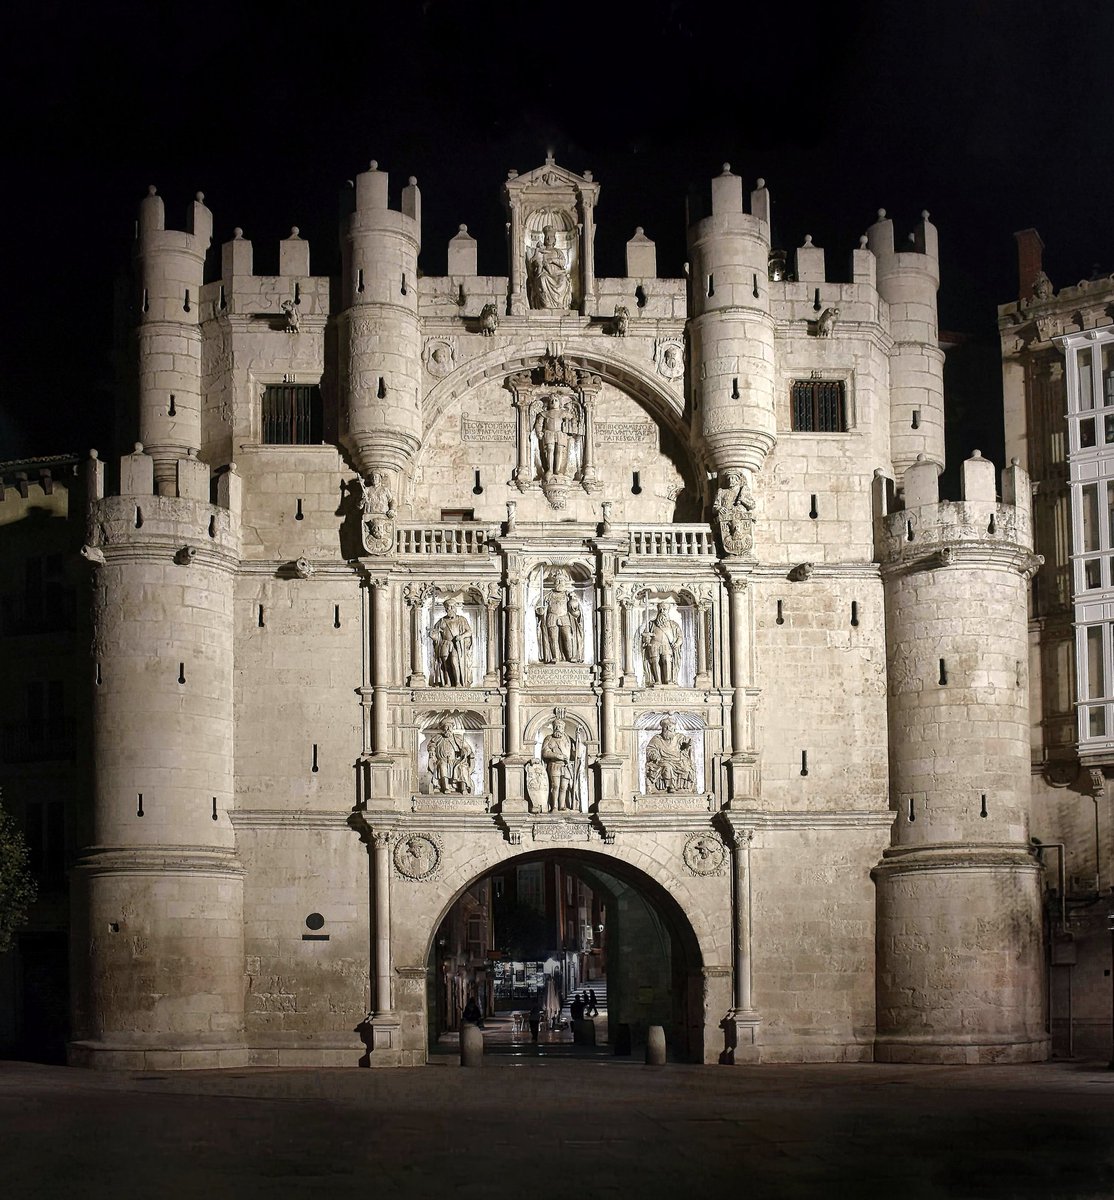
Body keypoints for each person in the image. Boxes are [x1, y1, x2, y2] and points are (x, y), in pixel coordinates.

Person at [536, 570, 583, 663]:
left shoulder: (568, 595)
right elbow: (539, 606)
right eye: (557, 581)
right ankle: (555, 657)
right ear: (554, 583)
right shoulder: (548, 595)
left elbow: (575, 611)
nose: (560, 583)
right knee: (553, 638)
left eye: (562, 581)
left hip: (564, 617)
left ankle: (570, 656)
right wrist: (540, 610)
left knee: (568, 636)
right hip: (552, 617)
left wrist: (575, 609)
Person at [645, 716, 696, 794]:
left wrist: (688, 744)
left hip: (678, 760)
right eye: (669, 729)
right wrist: (654, 755)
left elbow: (686, 744)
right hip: (663, 761)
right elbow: (650, 749)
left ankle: (686, 789)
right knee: (667, 767)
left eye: (673, 729)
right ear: (664, 729)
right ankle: (671, 787)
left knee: (687, 768)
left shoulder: (679, 737)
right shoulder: (656, 739)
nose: (672, 731)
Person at [430, 598, 473, 687]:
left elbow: (469, 632)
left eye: (451, 607)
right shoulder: (442, 621)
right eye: (447, 608)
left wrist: (461, 636)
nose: (449, 609)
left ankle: (458, 682)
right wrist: (433, 636)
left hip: (456, 645)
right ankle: (447, 682)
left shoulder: (461, 620)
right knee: (445, 664)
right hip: (445, 644)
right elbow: (436, 635)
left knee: (454, 662)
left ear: (454, 608)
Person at [527, 224, 572, 310]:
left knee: (563, 279)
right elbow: (533, 263)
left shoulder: (557, 251)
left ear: (554, 239)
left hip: (557, 274)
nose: (548, 238)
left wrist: (552, 260)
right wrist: (537, 262)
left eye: (551, 237)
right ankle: (546, 303)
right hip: (545, 274)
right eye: (547, 236)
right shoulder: (541, 251)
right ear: (544, 239)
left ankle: (559, 303)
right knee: (542, 279)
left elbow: (563, 262)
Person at [426, 717, 474, 794]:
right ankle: (445, 787)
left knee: (462, 766)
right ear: (442, 728)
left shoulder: (458, 737)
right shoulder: (438, 737)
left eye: (450, 726)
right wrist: (431, 750)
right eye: (446, 726)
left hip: (455, 760)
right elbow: (431, 745)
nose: (448, 729)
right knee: (442, 765)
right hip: (442, 759)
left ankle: (463, 788)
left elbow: (467, 748)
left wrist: (464, 751)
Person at [541, 716, 578, 812]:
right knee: (555, 786)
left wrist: (576, 751)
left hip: (566, 766)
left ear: (563, 728)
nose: (558, 729)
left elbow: (573, 753)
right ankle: (554, 807)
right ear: (553, 728)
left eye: (560, 727)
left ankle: (562, 806)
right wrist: (557, 756)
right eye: (556, 726)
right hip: (554, 765)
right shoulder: (549, 739)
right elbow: (545, 753)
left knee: (564, 787)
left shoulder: (568, 739)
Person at [641, 602, 683, 685]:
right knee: (655, 661)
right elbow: (645, 637)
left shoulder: (673, 625)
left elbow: (680, 637)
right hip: (654, 645)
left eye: (665, 609)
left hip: (667, 645)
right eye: (660, 609)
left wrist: (677, 643)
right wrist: (646, 639)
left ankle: (668, 680)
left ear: (668, 611)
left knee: (667, 660)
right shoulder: (651, 624)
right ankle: (657, 680)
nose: (662, 611)